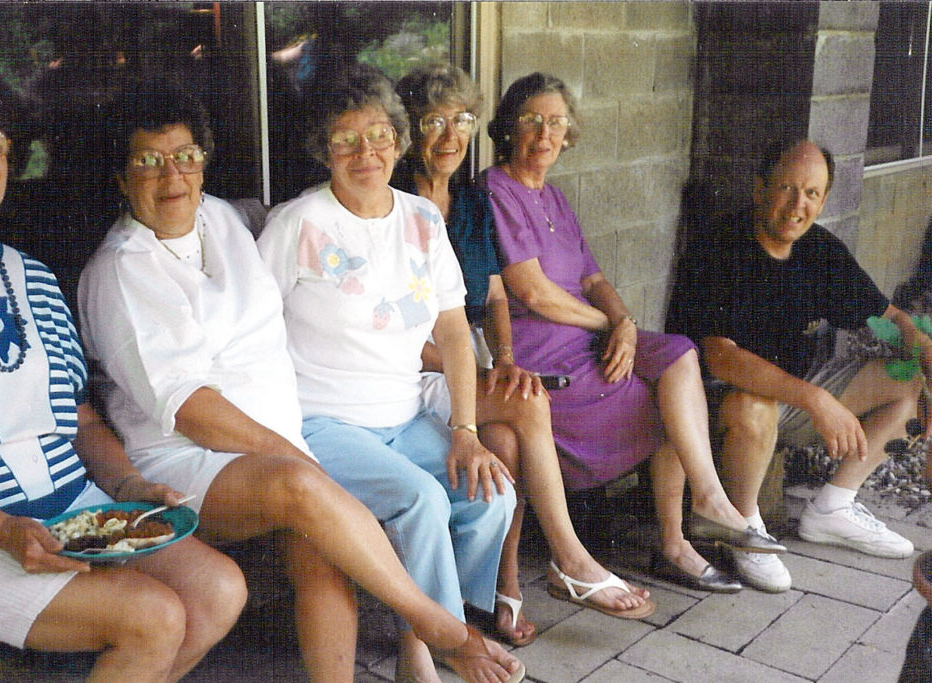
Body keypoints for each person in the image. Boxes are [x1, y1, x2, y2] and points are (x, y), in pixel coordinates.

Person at [78, 78, 522, 683]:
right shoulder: (120, 271)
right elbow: (190, 409)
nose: (172, 175)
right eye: (148, 161)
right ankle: (442, 631)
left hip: (278, 444)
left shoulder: (222, 220)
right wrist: (293, 452)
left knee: (321, 551)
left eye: (185, 156)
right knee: (306, 490)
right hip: (193, 461)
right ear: (120, 177)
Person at [0, 55, 248, 682]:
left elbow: (81, 420)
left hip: (68, 508)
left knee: (216, 589)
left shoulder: (33, 278)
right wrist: (0, 529)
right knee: (151, 616)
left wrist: (128, 486)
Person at [257, 66, 524, 683]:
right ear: (323, 149)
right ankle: (437, 645)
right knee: (421, 499)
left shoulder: (422, 219)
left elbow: (454, 332)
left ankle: (429, 629)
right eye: (345, 140)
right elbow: (252, 332)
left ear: (399, 142)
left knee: (492, 496)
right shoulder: (298, 224)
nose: (365, 153)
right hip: (322, 423)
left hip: (405, 415)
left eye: (378, 135)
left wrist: (465, 431)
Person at [484, 72, 787, 595]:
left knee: (677, 356)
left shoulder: (554, 198)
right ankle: (682, 534)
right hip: (543, 351)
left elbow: (593, 280)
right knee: (667, 404)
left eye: (557, 122)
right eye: (532, 120)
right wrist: (613, 325)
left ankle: (704, 506)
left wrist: (624, 321)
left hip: (586, 338)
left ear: (569, 133)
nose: (545, 133)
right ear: (509, 127)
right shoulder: (496, 189)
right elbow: (532, 292)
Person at [391, 63, 655, 647]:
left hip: (462, 356)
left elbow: (493, 294)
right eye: (433, 122)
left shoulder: (469, 202)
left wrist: (505, 358)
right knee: (526, 407)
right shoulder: (394, 200)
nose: (449, 136)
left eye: (462, 120)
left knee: (507, 435)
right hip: (411, 364)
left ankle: (501, 586)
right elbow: (393, 325)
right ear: (410, 129)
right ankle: (569, 560)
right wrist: (474, 367)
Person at [666, 139, 924, 592]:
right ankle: (742, 528)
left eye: (811, 193)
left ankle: (833, 508)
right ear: (760, 188)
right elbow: (721, 358)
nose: (797, 205)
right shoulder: (720, 247)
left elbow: (888, 316)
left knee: (913, 384)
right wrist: (816, 400)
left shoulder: (820, 249)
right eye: (786, 188)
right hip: (716, 407)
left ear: (823, 201)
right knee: (754, 406)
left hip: (795, 395)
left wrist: (920, 343)